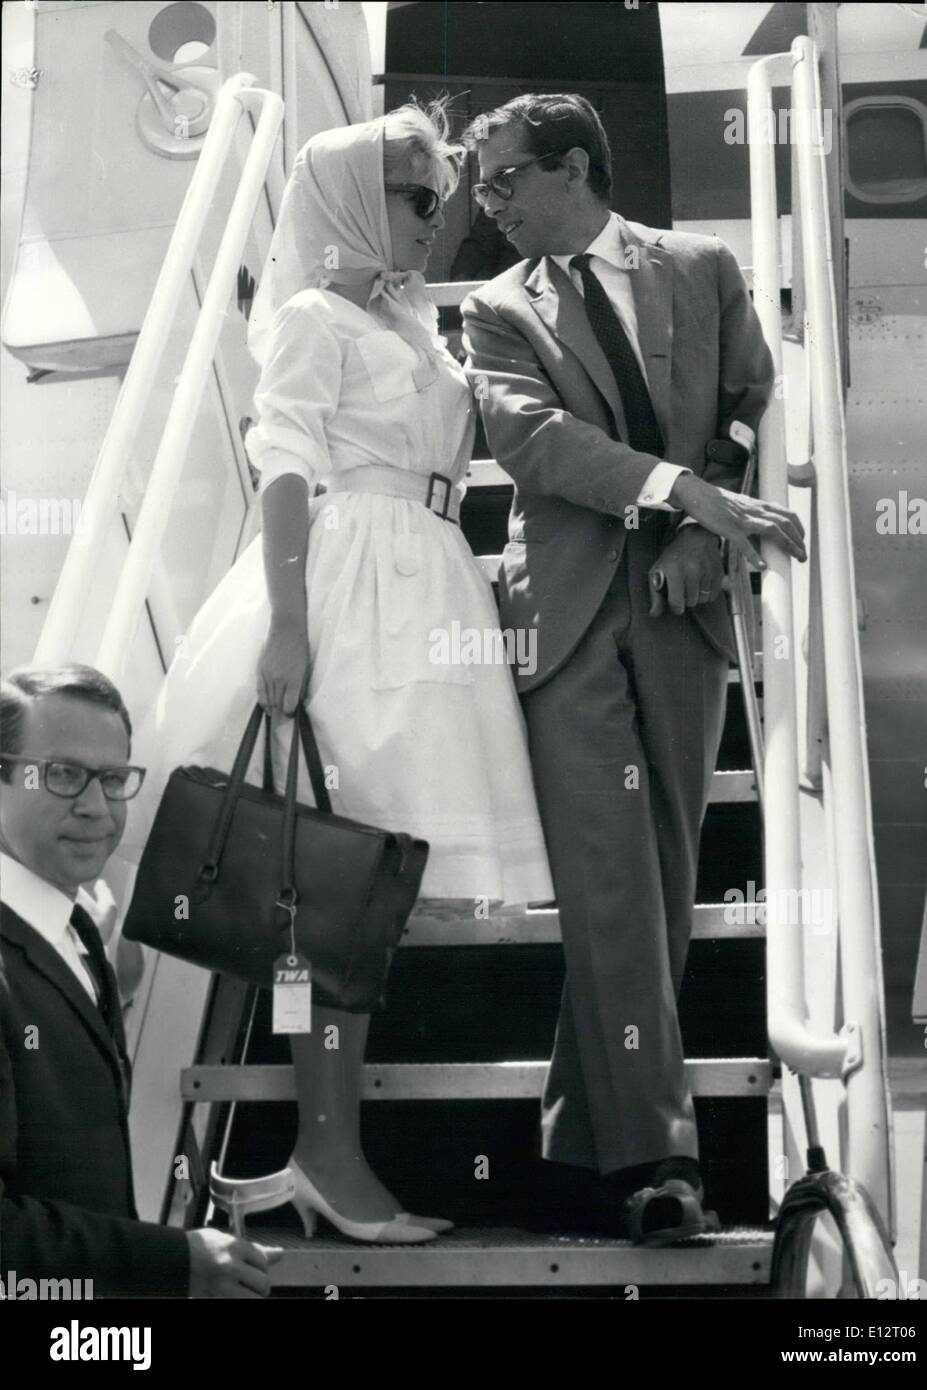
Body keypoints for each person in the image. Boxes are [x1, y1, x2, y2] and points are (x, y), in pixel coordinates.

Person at [123, 104, 555, 1244]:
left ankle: (323, 1146)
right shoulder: (316, 316)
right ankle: (322, 1143)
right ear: (362, 199)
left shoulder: (411, 317)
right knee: (333, 885)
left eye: (439, 194)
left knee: (363, 884)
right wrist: (288, 624)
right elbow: (282, 469)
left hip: (426, 579)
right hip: (355, 582)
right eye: (419, 195)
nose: (439, 213)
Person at [460, 94, 807, 1243]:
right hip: (567, 614)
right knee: (614, 877)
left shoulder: (702, 267)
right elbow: (535, 443)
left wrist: (709, 530)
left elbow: (752, 398)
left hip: (687, 608)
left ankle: (579, 1135)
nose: (486, 204)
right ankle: (660, 1163)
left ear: (573, 168)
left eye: (504, 179)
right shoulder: (499, 311)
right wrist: (682, 495)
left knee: (656, 877)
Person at [0, 664, 283, 1296]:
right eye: (64, 775)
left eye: (113, 779)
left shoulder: (74, 935)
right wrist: (171, 1262)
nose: (97, 808)